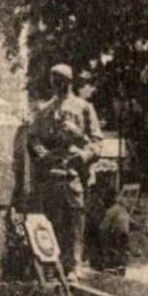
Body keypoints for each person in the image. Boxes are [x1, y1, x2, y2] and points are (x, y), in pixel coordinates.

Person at [27, 62, 102, 280]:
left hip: (74, 173)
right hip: (52, 172)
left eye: (60, 81)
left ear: (69, 82)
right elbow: (33, 137)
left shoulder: (84, 107)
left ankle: (75, 264)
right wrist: (41, 153)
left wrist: (85, 153)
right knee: (53, 218)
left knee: (76, 219)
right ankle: (54, 263)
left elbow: (97, 142)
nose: (56, 86)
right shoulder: (45, 110)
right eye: (53, 82)